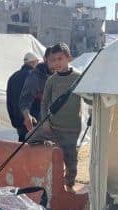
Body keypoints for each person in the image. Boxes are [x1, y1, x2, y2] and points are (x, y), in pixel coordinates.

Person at [37, 42, 82, 193]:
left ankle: (69, 185)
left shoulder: (79, 78)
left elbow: (88, 99)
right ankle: (53, 185)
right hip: (53, 127)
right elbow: (44, 102)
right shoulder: (51, 80)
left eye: (60, 59)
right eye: (53, 60)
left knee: (71, 158)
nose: (57, 63)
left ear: (69, 58)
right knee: (54, 157)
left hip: (72, 128)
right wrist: (45, 122)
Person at [6, 52, 39, 141]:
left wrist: (15, 120)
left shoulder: (12, 77)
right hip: (33, 121)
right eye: (37, 62)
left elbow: (9, 102)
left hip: (18, 122)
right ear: (33, 63)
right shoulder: (34, 76)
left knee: (22, 146)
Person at [19, 47, 53, 134]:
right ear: (45, 59)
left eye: (59, 59)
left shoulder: (65, 75)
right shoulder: (35, 76)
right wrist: (27, 115)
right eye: (52, 60)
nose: (55, 63)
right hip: (39, 123)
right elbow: (25, 99)